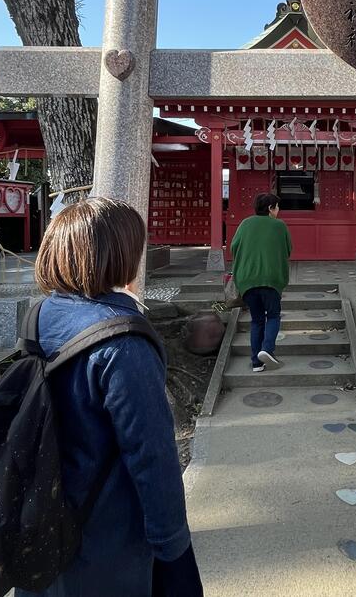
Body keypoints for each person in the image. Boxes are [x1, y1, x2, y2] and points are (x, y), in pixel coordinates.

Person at [17, 197, 203, 597]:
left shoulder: (39, 316)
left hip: (40, 512)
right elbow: (151, 455)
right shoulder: (123, 343)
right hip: (103, 534)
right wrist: (173, 546)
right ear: (119, 254)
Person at [230, 192, 292, 372]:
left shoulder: (245, 223)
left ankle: (256, 363)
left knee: (256, 320)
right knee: (273, 316)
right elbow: (288, 249)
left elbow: (234, 247)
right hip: (271, 279)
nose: (278, 210)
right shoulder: (279, 225)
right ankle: (267, 349)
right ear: (271, 208)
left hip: (247, 280)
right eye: (277, 207)